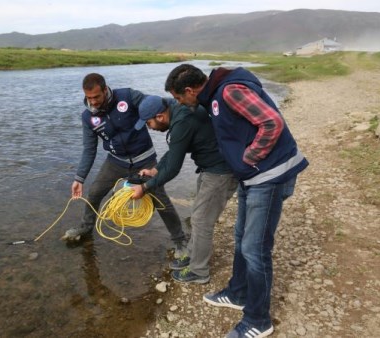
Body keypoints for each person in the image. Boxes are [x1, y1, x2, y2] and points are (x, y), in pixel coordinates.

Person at [165, 64, 309, 338]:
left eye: (178, 98)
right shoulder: (215, 95)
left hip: (267, 175)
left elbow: (272, 123)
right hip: (251, 178)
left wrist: (250, 157)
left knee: (256, 249)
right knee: (241, 235)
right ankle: (238, 292)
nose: (179, 104)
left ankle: (258, 320)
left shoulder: (229, 91)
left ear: (188, 90)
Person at [61, 73, 187, 258]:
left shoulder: (128, 96)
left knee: (161, 200)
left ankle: (180, 240)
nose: (93, 102)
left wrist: (185, 105)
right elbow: (89, 150)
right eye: (89, 98)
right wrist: (79, 178)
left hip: (145, 160)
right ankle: (86, 228)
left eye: (96, 96)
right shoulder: (88, 117)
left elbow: (158, 104)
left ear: (105, 90)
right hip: (115, 162)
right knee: (95, 192)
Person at [129, 95, 237, 284]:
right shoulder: (177, 111)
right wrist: (154, 170)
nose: (150, 128)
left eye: (148, 123)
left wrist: (144, 188)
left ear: (160, 116)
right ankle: (193, 256)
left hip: (221, 171)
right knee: (197, 216)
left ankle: (199, 271)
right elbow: (173, 152)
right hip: (209, 168)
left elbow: (173, 168)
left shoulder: (182, 121)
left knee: (202, 221)